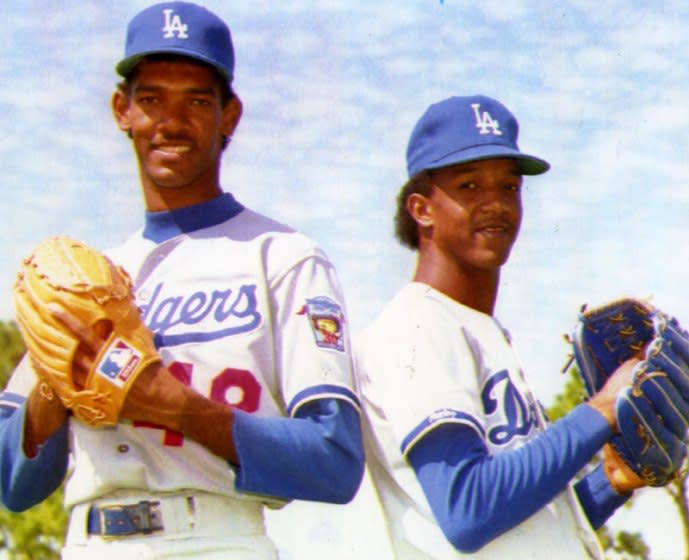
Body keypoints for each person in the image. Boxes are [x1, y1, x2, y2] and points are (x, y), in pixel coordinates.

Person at [0, 2, 364, 558]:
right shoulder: (90, 280)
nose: (171, 122)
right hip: (90, 543)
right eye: (151, 100)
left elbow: (333, 461)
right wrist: (58, 384)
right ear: (122, 110)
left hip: (216, 536)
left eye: (196, 100)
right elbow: (13, 485)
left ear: (230, 115)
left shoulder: (282, 256)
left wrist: (168, 404)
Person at [355, 94, 645, 559]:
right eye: (469, 186)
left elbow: (525, 530)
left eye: (509, 187)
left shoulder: (477, 330)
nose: (496, 204)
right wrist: (603, 409)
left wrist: (611, 483)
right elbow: (467, 510)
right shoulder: (416, 325)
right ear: (421, 209)